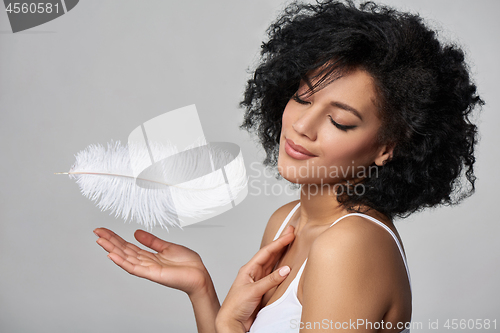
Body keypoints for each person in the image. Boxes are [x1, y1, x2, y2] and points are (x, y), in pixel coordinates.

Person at [93, 0, 482, 332]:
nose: (302, 126)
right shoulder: (286, 221)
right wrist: (202, 290)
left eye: (340, 121)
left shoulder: (349, 245)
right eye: (302, 98)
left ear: (386, 148)